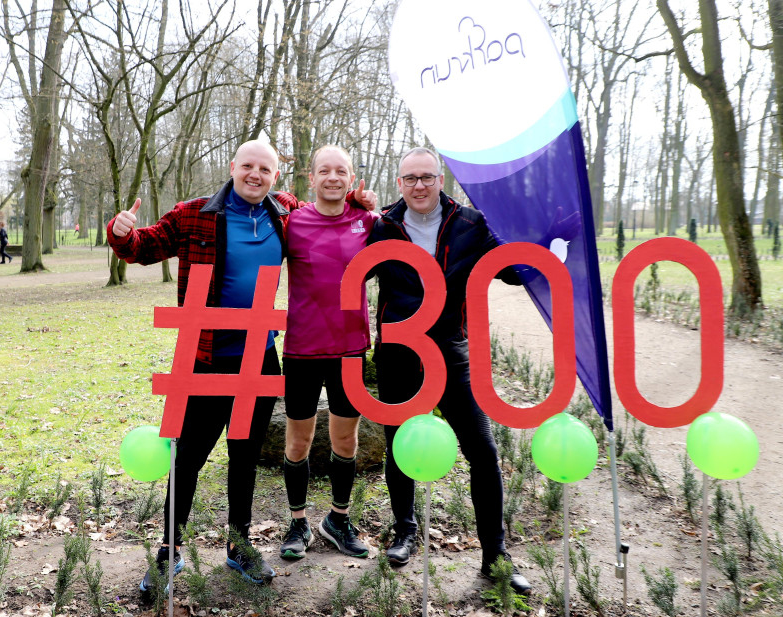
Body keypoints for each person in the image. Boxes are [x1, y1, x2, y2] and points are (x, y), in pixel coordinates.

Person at [107, 140, 375, 595]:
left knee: (245, 458)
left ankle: (238, 546)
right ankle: (168, 554)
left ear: (276, 177)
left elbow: (328, 208)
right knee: (189, 457)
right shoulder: (195, 214)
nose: (255, 174)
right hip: (207, 357)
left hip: (259, 357)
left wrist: (353, 198)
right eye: (248, 166)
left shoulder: (283, 211)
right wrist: (121, 231)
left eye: (265, 169)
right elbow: (143, 248)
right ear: (233, 167)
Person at [368, 147, 531, 595]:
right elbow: (345, 269)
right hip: (399, 354)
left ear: (441, 179)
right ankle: (404, 530)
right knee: (399, 447)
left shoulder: (471, 224)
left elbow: (513, 272)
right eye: (410, 178)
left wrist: (546, 242)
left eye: (427, 177)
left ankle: (495, 555)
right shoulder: (382, 226)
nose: (419, 185)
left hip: (453, 352)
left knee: (482, 450)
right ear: (399, 183)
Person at [278, 145, 376, 560]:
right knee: (298, 441)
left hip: (350, 348)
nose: (333, 177)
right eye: (324, 171)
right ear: (311, 178)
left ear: (351, 179)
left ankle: (337, 519)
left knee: (346, 438)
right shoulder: (292, 222)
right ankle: (298, 522)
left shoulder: (369, 222)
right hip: (301, 348)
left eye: (341, 171)